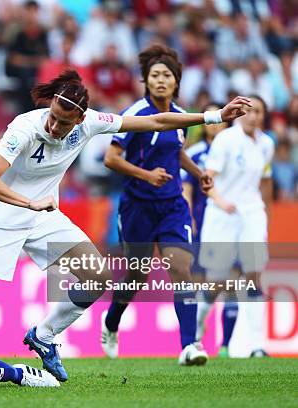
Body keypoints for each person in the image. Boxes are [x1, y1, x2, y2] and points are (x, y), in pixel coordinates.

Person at [0, 68, 250, 381]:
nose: (53, 125)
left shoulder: (91, 122)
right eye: (51, 115)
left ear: (80, 118)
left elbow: (155, 120)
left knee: (97, 276)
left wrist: (215, 116)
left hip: (42, 216)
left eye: (63, 121)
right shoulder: (24, 128)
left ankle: (44, 334)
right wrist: (29, 202)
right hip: (1, 218)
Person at [100, 45, 218, 366]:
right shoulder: (137, 113)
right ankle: (111, 323)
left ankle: (189, 346)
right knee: (137, 276)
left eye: (167, 75)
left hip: (172, 205)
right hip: (138, 207)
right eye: (155, 76)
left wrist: (198, 174)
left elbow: (176, 152)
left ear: (176, 81)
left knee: (181, 269)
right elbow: (111, 159)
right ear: (147, 81)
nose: (161, 80)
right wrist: (146, 174)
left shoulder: (181, 117)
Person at [196, 95, 274, 358]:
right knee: (217, 282)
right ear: (241, 114)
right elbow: (208, 177)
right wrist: (220, 200)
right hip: (222, 215)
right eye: (249, 111)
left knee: (253, 276)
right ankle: (196, 330)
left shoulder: (266, 144)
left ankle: (257, 345)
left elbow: (265, 181)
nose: (253, 116)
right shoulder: (226, 140)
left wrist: (265, 217)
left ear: (263, 115)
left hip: (251, 214)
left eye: (259, 111)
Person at [181, 104, 236, 358]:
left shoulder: (236, 149)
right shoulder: (196, 153)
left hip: (233, 223)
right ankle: (197, 333)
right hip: (205, 224)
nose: (216, 124)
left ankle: (225, 345)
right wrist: (189, 216)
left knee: (233, 280)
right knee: (210, 282)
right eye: (212, 119)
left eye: (219, 119)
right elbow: (187, 188)